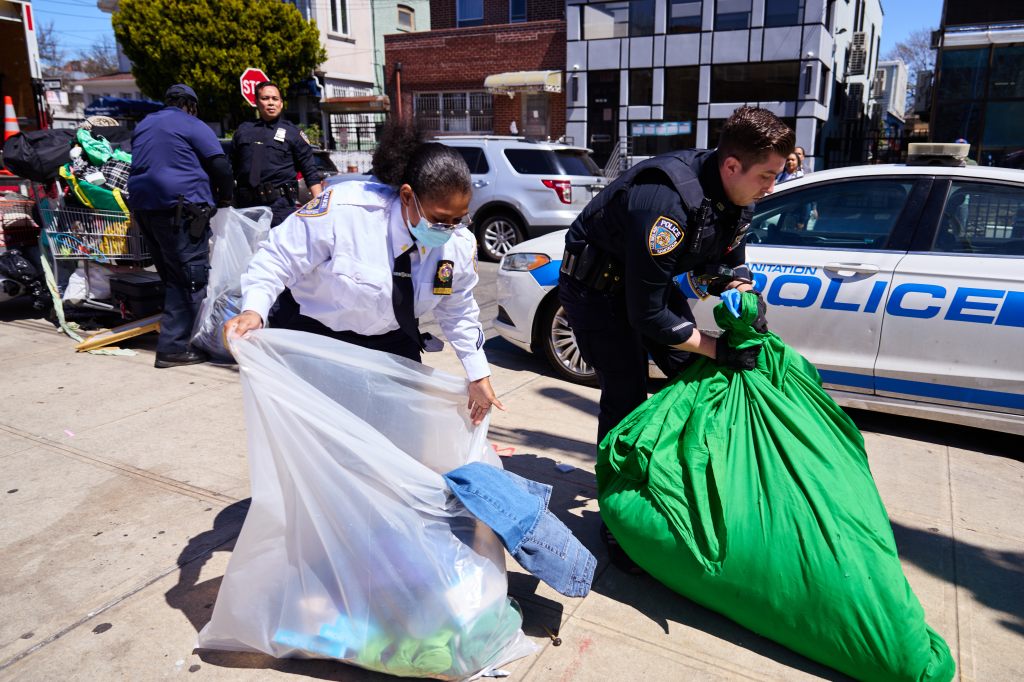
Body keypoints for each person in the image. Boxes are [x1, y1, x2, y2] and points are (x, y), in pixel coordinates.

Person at [224, 120, 503, 425]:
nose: (448, 230)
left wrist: (478, 374)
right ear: (408, 196)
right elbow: (277, 258)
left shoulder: (457, 246)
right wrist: (254, 309)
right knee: (320, 437)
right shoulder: (345, 212)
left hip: (391, 339)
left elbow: (458, 310)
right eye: (440, 219)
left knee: (400, 433)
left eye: (458, 219)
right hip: (317, 336)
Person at [558, 106, 793, 443]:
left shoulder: (741, 193)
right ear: (732, 166)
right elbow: (648, 314)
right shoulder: (667, 203)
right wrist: (717, 347)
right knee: (627, 396)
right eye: (766, 176)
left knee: (695, 371)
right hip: (596, 292)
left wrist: (743, 293)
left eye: (776, 176)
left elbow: (730, 262)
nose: (771, 188)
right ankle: (619, 489)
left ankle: (678, 469)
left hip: (647, 283)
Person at [127, 83, 234, 368]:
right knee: (189, 278)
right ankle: (173, 347)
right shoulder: (191, 123)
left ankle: (178, 337)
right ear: (191, 104)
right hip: (181, 210)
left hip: (145, 208)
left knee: (171, 274)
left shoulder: (145, 124)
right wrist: (226, 199)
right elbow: (220, 165)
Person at [231, 81, 324, 226]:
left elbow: (310, 172)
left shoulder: (293, 133)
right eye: (265, 98)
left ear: (281, 103)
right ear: (256, 102)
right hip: (246, 207)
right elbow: (231, 168)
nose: (270, 103)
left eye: (275, 99)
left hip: (279, 207)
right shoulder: (243, 131)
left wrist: (320, 210)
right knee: (247, 249)